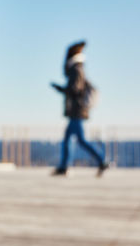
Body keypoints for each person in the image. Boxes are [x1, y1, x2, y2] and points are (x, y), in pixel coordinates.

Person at [51, 41, 109, 177]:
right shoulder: (77, 68)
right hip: (76, 111)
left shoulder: (76, 69)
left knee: (81, 140)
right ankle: (64, 167)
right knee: (67, 140)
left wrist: (61, 89)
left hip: (77, 111)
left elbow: (75, 89)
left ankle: (102, 160)